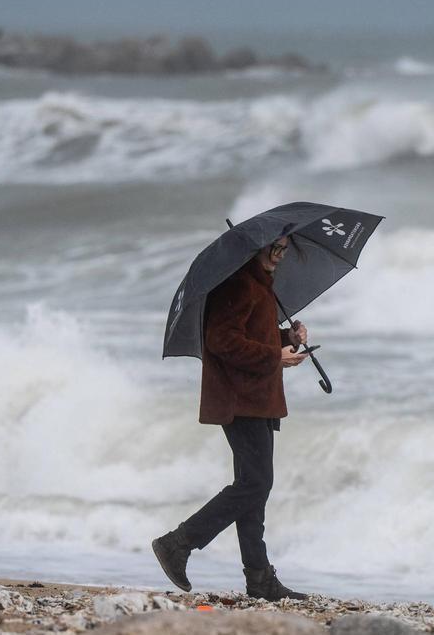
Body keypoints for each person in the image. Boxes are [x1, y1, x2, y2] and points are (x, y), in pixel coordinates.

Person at [152, 235, 311, 601]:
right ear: (255, 248)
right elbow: (222, 340)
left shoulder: (259, 286)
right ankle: (177, 543)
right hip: (241, 400)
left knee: (253, 489)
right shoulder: (237, 284)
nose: (278, 255)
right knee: (255, 485)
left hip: (258, 399)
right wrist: (276, 357)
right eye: (274, 247)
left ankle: (260, 579)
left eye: (284, 249)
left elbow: (255, 335)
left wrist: (290, 336)